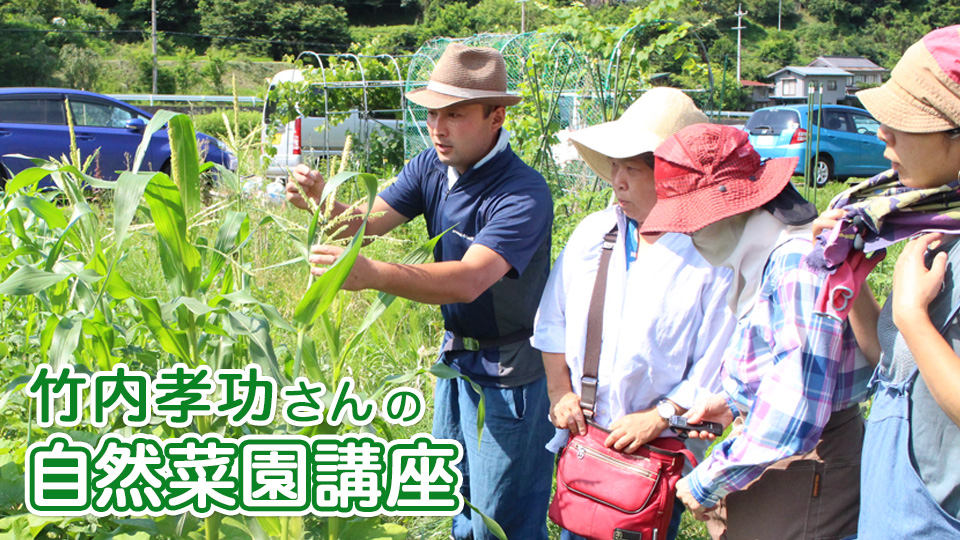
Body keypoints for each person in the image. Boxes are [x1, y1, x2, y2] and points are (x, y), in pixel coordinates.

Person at [286, 43, 555, 540]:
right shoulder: (431, 166)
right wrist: (322, 200)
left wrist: (373, 274)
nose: (438, 128)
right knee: (455, 503)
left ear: (496, 116)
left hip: (509, 375)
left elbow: (470, 279)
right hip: (453, 364)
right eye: (432, 113)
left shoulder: (522, 192)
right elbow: (369, 223)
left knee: (501, 520)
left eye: (455, 114)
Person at [639, 123, 873, 540]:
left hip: (805, 460)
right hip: (779, 456)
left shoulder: (796, 266)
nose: (690, 235)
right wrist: (733, 400)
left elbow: (798, 408)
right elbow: (784, 363)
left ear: (731, 207)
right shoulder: (768, 259)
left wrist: (708, 478)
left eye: (693, 223)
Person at [532, 88, 736, 540]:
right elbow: (552, 322)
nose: (617, 182)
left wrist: (660, 416)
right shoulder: (595, 233)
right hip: (587, 443)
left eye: (632, 169)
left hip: (656, 454)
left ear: (672, 177)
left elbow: (715, 364)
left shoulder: (710, 254)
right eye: (614, 167)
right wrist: (561, 392)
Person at [808, 25, 960, 537]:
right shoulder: (935, 227)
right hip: (892, 508)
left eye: (904, 121)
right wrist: (849, 275)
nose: (881, 133)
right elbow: (892, 367)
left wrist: (913, 317)